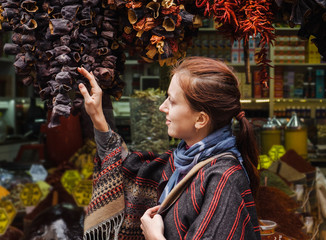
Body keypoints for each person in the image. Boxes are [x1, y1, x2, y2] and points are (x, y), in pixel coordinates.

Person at [78, 56, 261, 240]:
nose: (162, 107)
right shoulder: (181, 162)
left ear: (200, 120)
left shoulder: (223, 179)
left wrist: (154, 236)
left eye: (172, 101)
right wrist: (97, 117)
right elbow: (126, 169)